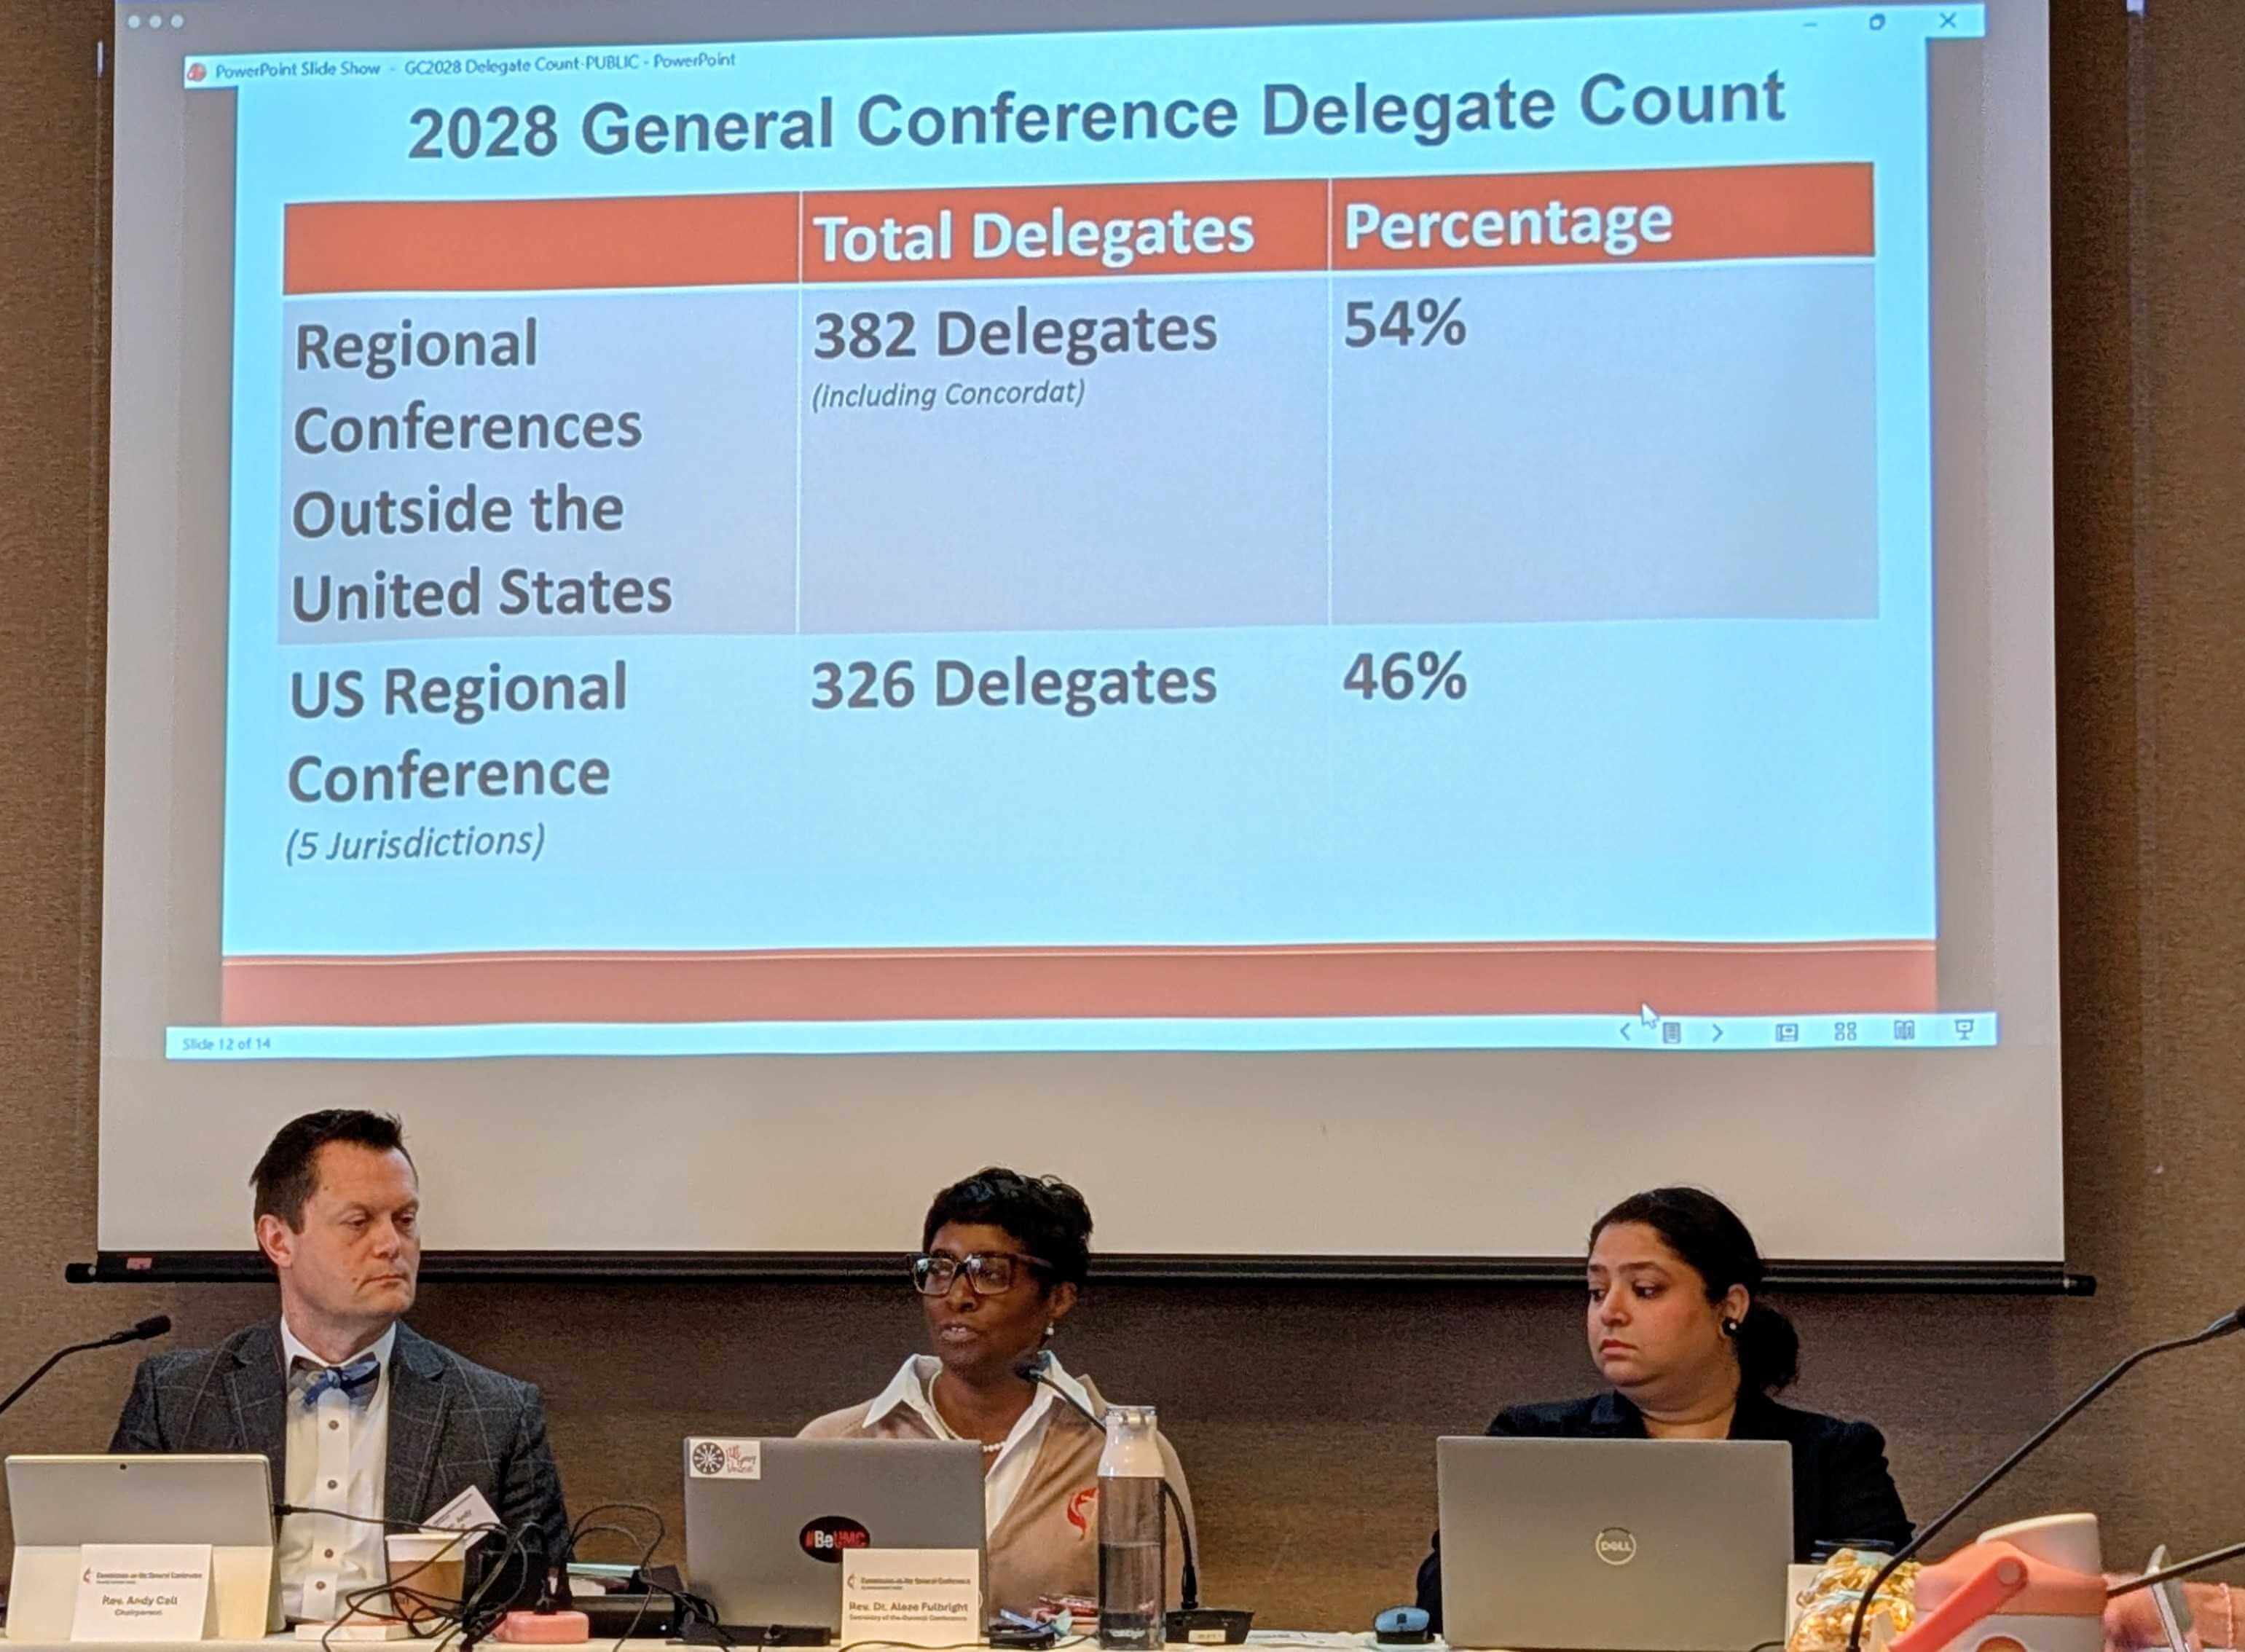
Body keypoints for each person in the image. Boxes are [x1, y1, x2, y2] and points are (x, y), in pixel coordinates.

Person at [110, 1110, 567, 1622]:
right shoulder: (177, 1399)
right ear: (278, 1240)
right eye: (359, 1222)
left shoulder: (497, 1412)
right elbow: (114, 1586)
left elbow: (547, 1604)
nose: (391, 1245)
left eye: (405, 1220)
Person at [1415, 1187, 1911, 1629]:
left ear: (1731, 1306)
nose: (1610, 1311)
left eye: (1645, 1289)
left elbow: (1886, 1618)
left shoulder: (1835, 1458)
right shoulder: (1528, 1441)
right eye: (1596, 1290)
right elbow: (1442, 1607)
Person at [802, 1167, 1195, 1618]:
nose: (958, 1295)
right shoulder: (835, 1446)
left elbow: (1166, 1634)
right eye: (940, 1269)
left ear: (1058, 1299)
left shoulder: (1125, 1455)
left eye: (989, 1273)